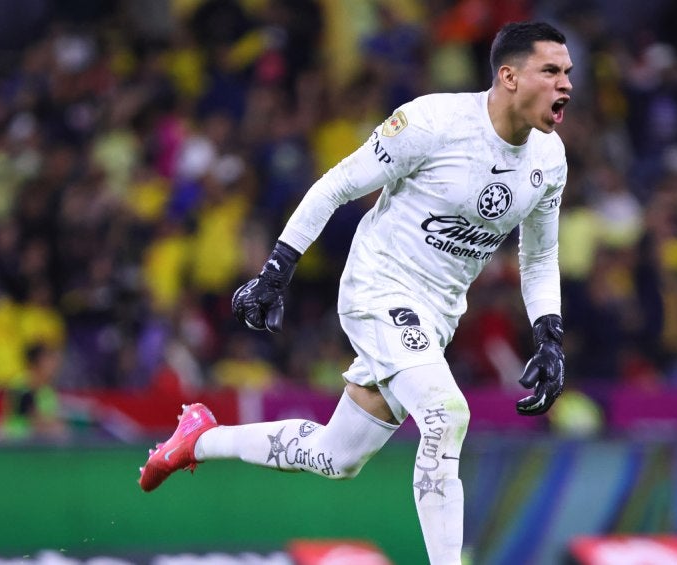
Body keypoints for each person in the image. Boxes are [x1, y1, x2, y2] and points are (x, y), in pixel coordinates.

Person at [139, 21, 573, 565]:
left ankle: (198, 439)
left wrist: (548, 336)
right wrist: (276, 270)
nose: (565, 84)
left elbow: (539, 257)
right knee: (446, 413)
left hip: (436, 316)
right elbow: (337, 184)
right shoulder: (433, 122)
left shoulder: (548, 160)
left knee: (335, 456)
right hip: (378, 287)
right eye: (551, 71)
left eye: (567, 73)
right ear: (509, 76)